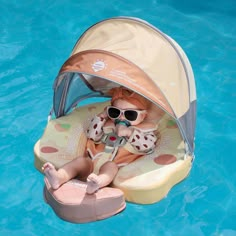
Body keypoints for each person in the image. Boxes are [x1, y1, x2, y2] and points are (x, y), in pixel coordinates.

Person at [42, 87, 159, 194]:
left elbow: (148, 147)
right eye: (115, 112)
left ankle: (97, 183)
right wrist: (102, 117)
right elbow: (92, 136)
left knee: (110, 167)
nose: (121, 117)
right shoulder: (108, 125)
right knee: (80, 161)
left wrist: (129, 133)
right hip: (92, 161)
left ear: (143, 116)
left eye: (130, 114)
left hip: (116, 166)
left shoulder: (144, 131)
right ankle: (59, 177)